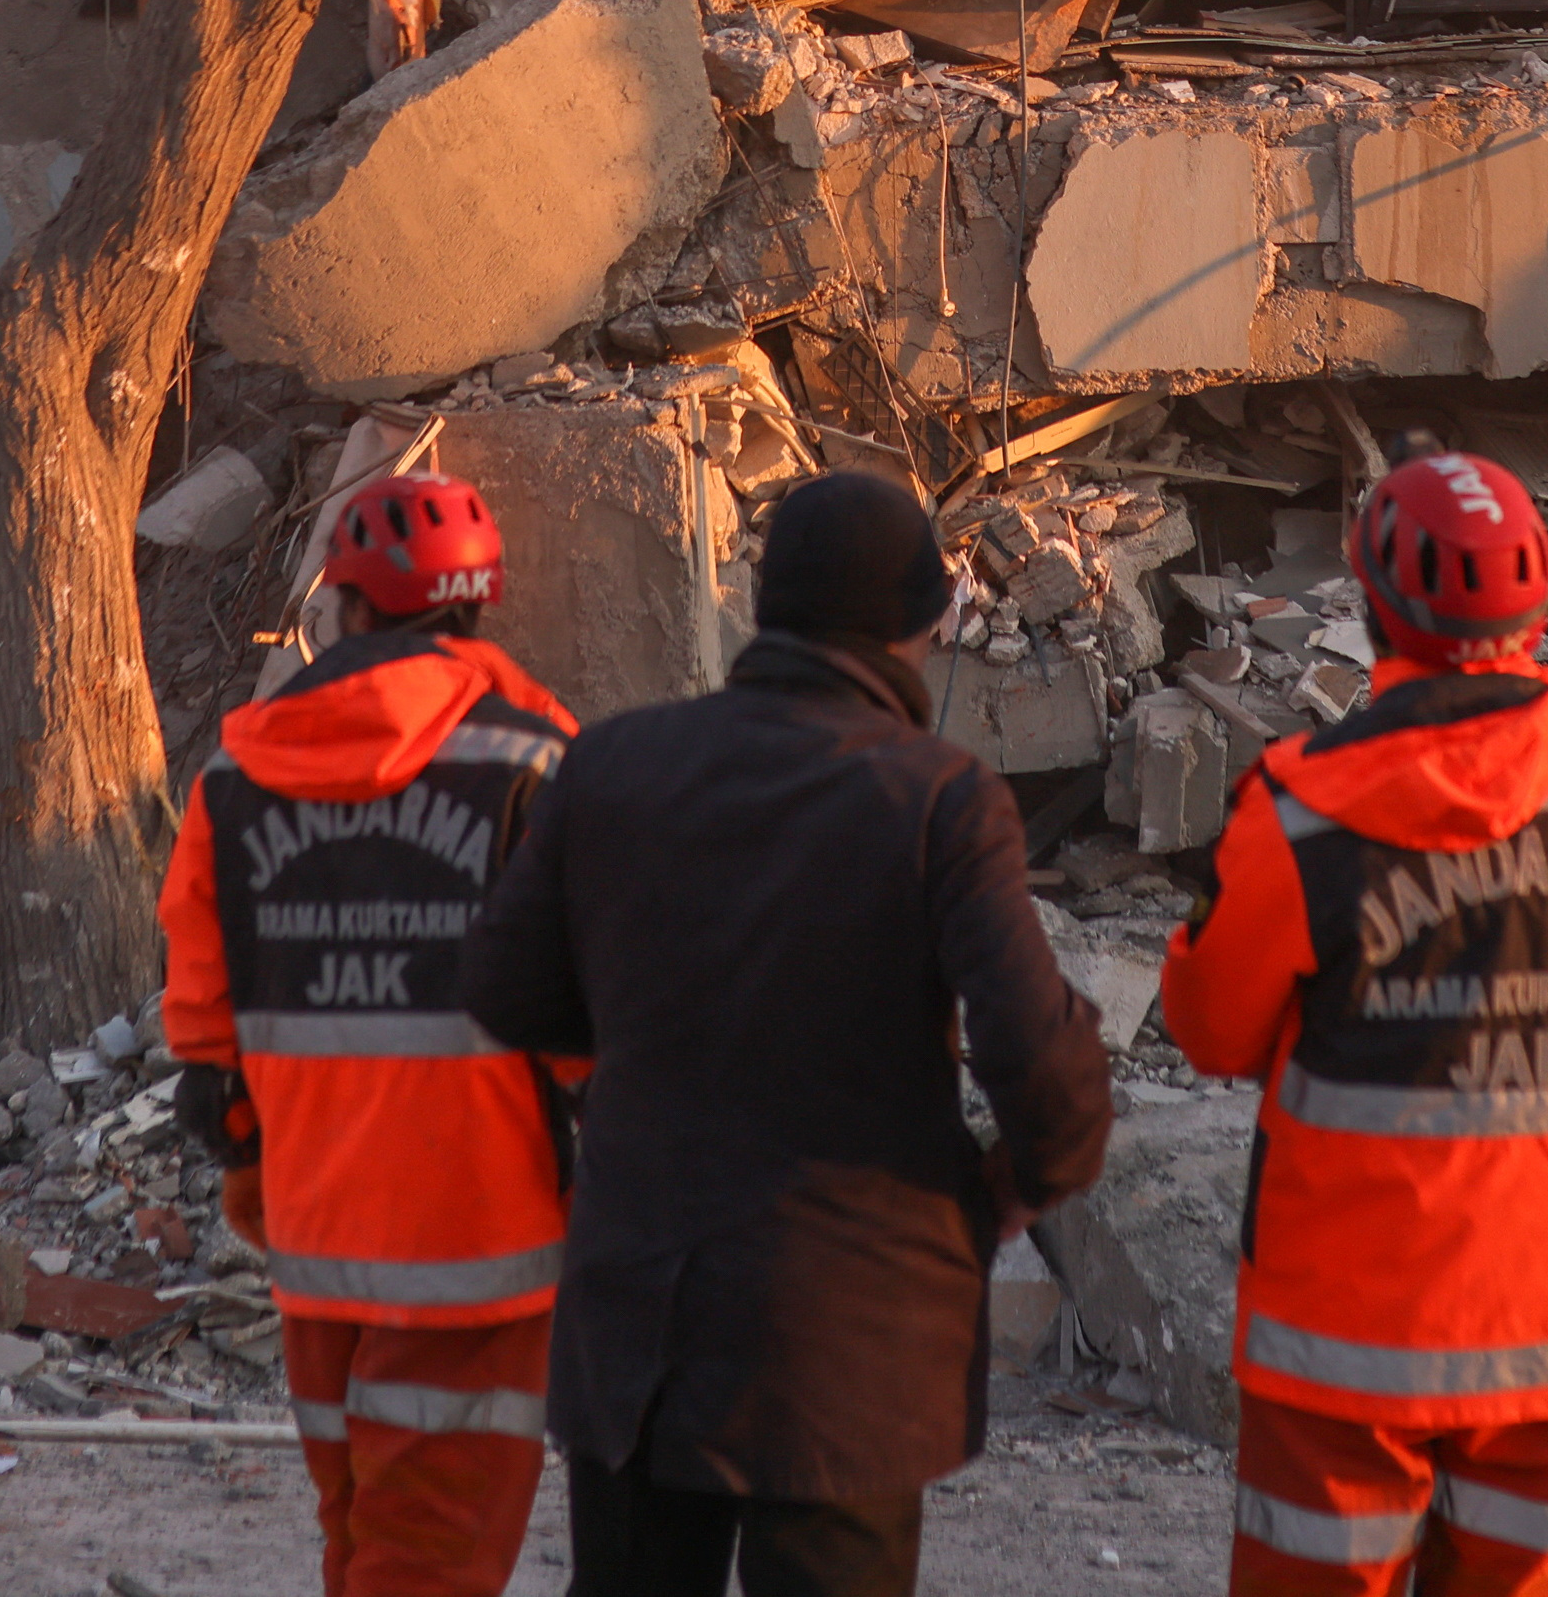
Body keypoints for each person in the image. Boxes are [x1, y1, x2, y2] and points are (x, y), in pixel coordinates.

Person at [466, 470, 1111, 1597]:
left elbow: (504, 989)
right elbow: (1040, 1064)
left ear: (762, 605)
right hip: (846, 1340)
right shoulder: (940, 797)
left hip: (642, 1322)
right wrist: (1019, 1180)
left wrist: (635, 1040)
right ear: (923, 623)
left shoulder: (612, 762)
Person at [1162, 451, 1548, 1597]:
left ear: (1371, 606)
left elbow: (1211, 1030)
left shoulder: (1298, 808)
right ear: (1541, 606)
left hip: (1343, 1342)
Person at [161, 474, 582, 1597]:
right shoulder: (535, 762)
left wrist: (239, 1129)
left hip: (315, 1230)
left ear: (344, 606)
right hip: (478, 1242)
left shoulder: (237, 770)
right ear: (474, 609)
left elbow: (202, 1011)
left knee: (358, 1531)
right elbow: (590, 989)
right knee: (428, 1553)